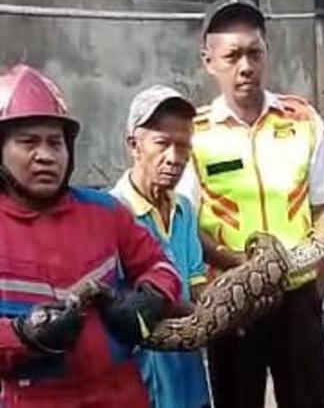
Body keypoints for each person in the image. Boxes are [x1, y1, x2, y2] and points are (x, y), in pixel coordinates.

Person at [176, 0, 324, 408]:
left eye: (255, 52)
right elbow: (185, 225)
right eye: (232, 56)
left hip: (299, 298)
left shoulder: (303, 119)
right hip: (232, 300)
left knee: (309, 400)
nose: (246, 66)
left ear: (267, 53)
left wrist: (314, 278)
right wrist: (246, 269)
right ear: (208, 60)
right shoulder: (194, 132)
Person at [0, 64, 182, 407]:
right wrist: (23, 335)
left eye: (55, 143)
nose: (45, 155)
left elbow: (161, 263)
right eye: (28, 142)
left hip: (123, 396)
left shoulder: (106, 212)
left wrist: (151, 296)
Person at [111, 85, 210, 408]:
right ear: (134, 145)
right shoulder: (111, 215)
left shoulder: (184, 209)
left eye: (183, 146)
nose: (175, 158)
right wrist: (211, 316)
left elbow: (196, 285)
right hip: (141, 382)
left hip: (190, 380)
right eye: (163, 143)